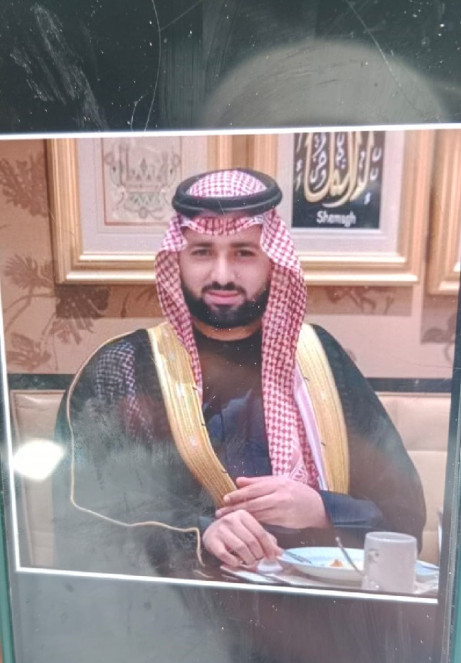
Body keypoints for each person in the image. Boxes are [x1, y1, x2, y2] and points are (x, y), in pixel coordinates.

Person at [53, 168, 425, 578]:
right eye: (202, 252)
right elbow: (84, 517)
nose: (222, 275)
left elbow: (404, 519)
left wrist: (322, 509)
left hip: (316, 609)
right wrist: (199, 533)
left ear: (273, 261)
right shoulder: (123, 367)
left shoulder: (322, 359)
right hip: (186, 607)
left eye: (244, 253)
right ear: (177, 260)